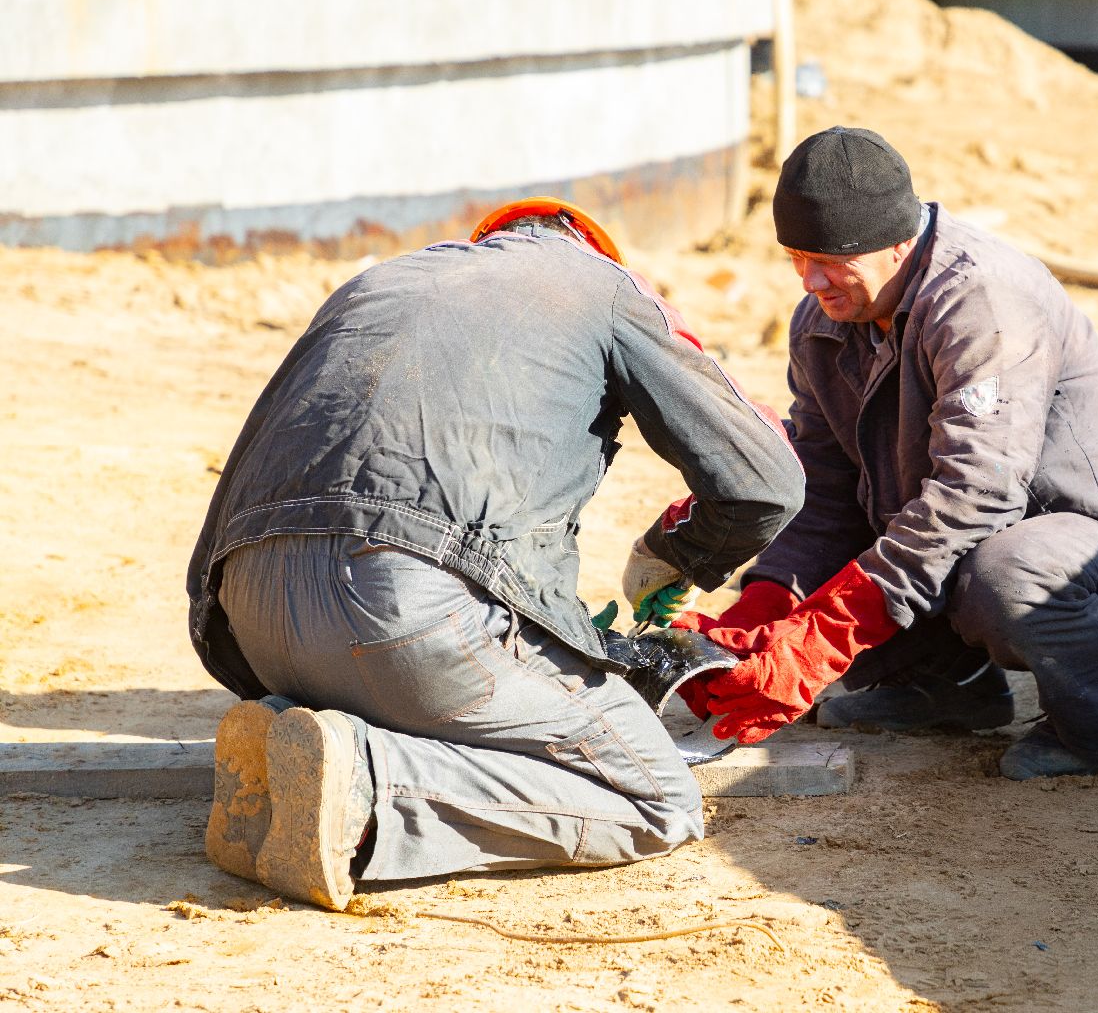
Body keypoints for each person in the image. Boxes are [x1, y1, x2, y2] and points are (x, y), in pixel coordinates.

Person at [187, 197, 803, 910]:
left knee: (429, 664)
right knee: (657, 798)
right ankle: (368, 786)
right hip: (400, 616)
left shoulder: (377, 283)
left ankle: (293, 751)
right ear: (594, 252)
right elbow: (766, 482)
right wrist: (679, 553)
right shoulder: (601, 288)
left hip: (255, 625)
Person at [676, 127, 1098, 780]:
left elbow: (979, 492)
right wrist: (765, 609)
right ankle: (946, 687)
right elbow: (824, 491)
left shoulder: (981, 300)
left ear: (898, 242)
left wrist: (825, 635)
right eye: (795, 257)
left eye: (830, 260)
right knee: (860, 562)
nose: (811, 281)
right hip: (979, 540)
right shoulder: (822, 323)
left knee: (1001, 574)